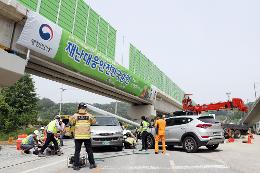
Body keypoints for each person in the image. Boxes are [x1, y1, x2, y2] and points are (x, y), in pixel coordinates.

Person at [70, 102, 97, 170]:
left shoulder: (75, 115)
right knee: (89, 150)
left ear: (79, 108)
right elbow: (94, 122)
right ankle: (92, 164)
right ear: (85, 108)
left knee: (77, 151)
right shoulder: (89, 115)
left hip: (78, 136)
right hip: (86, 136)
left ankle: (76, 165)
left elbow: (71, 123)